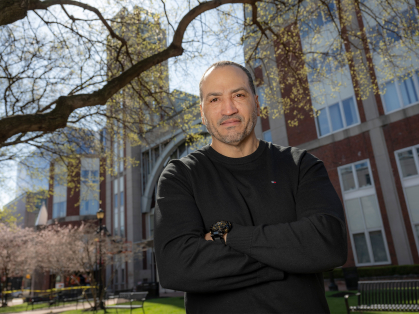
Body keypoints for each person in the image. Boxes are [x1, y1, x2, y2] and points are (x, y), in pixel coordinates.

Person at [154, 61, 347, 313]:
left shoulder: (301, 165)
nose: (228, 109)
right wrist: (291, 258)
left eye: (239, 95)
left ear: (256, 103)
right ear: (202, 112)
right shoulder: (180, 175)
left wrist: (229, 236)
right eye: (214, 100)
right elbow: (176, 266)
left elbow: (328, 244)